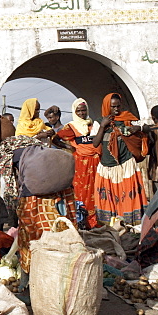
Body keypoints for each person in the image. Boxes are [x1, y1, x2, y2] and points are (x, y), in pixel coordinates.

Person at [91, 92, 148, 226]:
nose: (116, 109)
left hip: (126, 164)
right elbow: (95, 143)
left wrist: (136, 128)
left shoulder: (126, 119)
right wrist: (103, 126)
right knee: (109, 197)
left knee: (128, 195)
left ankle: (130, 225)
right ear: (107, 106)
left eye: (118, 106)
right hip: (107, 166)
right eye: (113, 107)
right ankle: (111, 226)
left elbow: (141, 128)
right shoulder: (99, 122)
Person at [56, 98, 100, 229]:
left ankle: (96, 221)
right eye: (78, 110)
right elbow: (55, 139)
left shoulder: (93, 125)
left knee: (96, 190)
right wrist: (71, 148)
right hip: (81, 164)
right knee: (82, 191)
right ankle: (83, 220)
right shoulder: (72, 127)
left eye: (84, 110)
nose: (81, 113)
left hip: (96, 162)